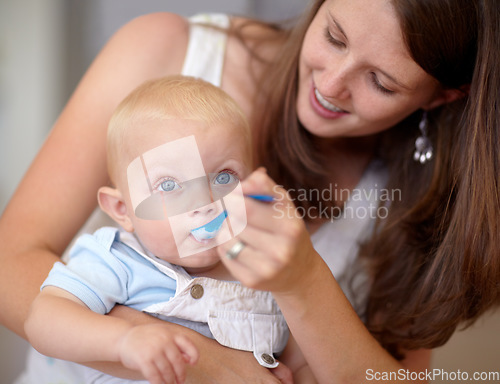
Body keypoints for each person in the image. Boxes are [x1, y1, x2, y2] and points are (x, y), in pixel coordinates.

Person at [2, 0, 498, 382]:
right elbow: (11, 268)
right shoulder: (168, 51)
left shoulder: (418, 203)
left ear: (443, 94)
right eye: (334, 36)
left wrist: (304, 283)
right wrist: (206, 367)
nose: (331, 83)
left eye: (381, 82)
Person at [23, 76, 301, 384]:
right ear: (123, 211)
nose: (205, 203)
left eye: (223, 177)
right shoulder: (118, 259)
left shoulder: (263, 272)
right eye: (169, 185)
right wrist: (123, 340)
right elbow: (42, 321)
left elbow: (297, 359)